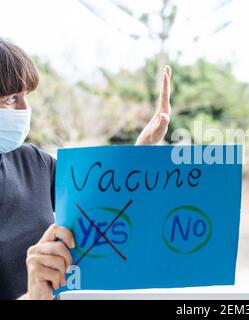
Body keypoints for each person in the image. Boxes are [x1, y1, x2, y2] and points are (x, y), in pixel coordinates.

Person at [0, 38, 172, 300]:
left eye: (27, 96)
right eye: (12, 98)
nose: (25, 109)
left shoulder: (33, 161)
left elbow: (105, 202)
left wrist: (143, 147)